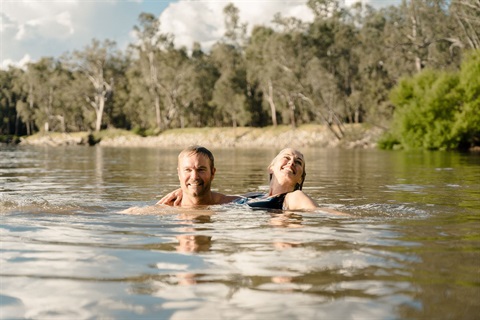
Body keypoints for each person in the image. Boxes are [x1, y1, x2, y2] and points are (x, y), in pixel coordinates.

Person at [159, 148, 333, 212]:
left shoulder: (295, 197)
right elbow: (219, 200)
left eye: (298, 162)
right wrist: (187, 190)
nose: (291, 163)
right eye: (286, 157)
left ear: (301, 177)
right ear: (271, 167)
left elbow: (323, 213)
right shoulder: (255, 196)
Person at [167, 145, 240, 207]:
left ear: (212, 173)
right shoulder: (163, 209)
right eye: (188, 170)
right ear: (179, 173)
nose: (194, 177)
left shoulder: (233, 204)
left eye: (201, 170)